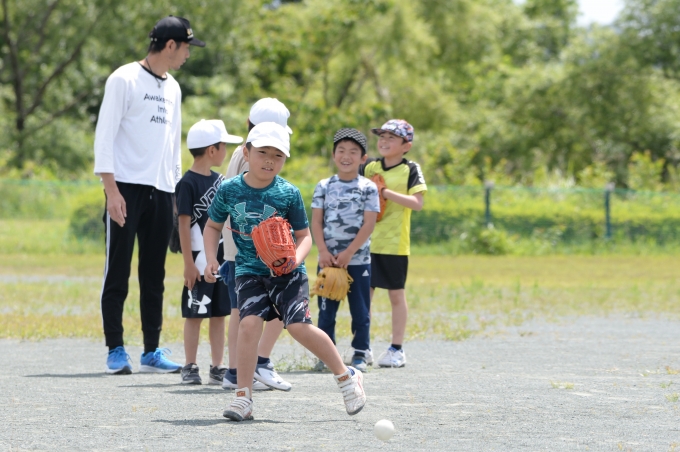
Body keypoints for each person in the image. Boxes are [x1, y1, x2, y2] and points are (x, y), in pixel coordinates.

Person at [203, 122, 366, 421]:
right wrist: (211, 258)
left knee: (298, 327)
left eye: (277, 155)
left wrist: (294, 259)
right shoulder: (229, 189)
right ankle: (243, 398)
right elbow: (213, 226)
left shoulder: (288, 192)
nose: (269, 160)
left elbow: (304, 236)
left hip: (288, 272)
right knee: (248, 325)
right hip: (249, 270)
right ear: (246, 153)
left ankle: (347, 376)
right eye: (262, 152)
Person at [93, 15, 205, 374]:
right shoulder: (124, 78)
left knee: (153, 275)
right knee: (118, 271)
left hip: (162, 190)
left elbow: (173, 145)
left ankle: (151, 351)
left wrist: (175, 196)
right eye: (186, 47)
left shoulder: (174, 88)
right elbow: (104, 136)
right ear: (170, 45)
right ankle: (115, 349)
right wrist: (111, 190)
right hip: (124, 188)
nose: (188, 54)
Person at [219, 98, 294, 392]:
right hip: (251, 251)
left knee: (240, 311)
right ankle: (258, 363)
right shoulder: (249, 157)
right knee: (276, 306)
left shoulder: (242, 153)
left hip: (237, 248)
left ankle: (236, 371)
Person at [175, 120, 243, 384]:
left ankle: (217, 366)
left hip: (219, 260)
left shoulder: (221, 181)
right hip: (197, 261)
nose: (226, 151)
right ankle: (190, 365)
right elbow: (183, 224)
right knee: (195, 314)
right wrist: (188, 264)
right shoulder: (187, 183)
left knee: (219, 314)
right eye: (223, 146)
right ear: (212, 150)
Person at [310, 128, 380, 372]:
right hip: (328, 261)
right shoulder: (324, 186)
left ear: (363, 158)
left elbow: (369, 223)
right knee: (326, 312)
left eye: (353, 152)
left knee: (360, 310)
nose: (346, 156)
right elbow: (316, 221)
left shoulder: (368, 187)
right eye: (341, 150)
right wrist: (322, 251)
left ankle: (360, 352)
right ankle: (325, 355)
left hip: (358, 261)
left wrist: (349, 253)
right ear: (333, 155)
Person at [361, 119, 427, 368]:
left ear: (406, 145)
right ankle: (362, 346)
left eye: (392, 137)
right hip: (366, 241)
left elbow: (417, 203)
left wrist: (384, 192)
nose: (384, 141)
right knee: (363, 296)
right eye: (382, 136)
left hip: (394, 243)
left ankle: (396, 349)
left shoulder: (410, 169)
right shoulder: (370, 166)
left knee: (396, 296)